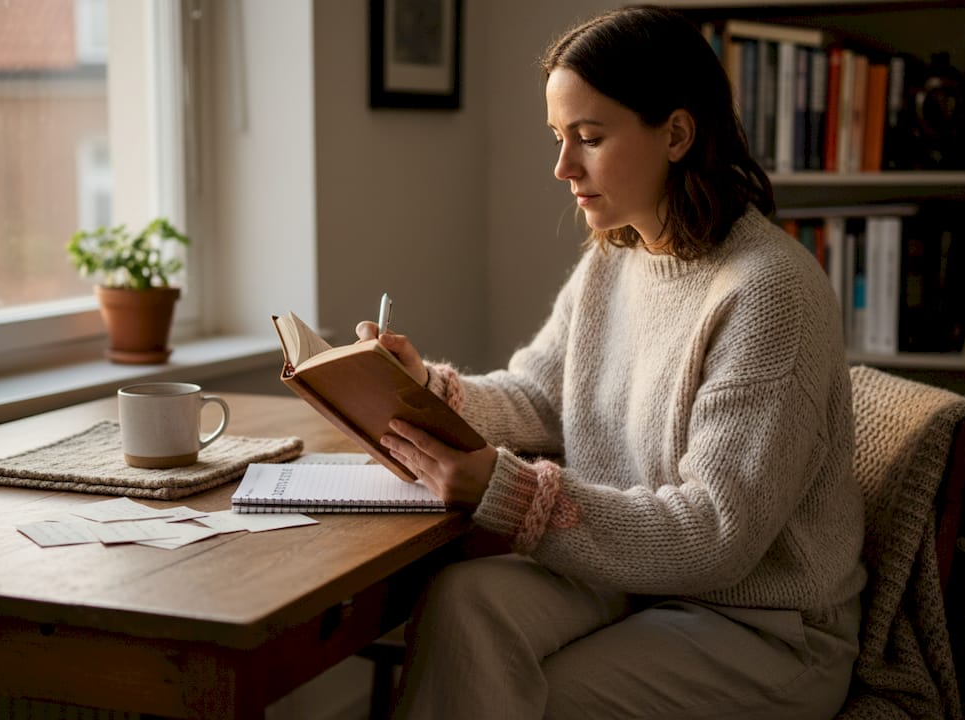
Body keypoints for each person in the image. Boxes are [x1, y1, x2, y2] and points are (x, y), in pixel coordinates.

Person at [355, 6, 866, 718]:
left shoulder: (770, 292)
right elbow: (539, 394)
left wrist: (505, 491)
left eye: (588, 138)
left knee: (547, 697)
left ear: (677, 135)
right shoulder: (614, 258)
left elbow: (715, 533)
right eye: (559, 138)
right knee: (463, 601)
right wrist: (427, 392)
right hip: (632, 576)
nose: (562, 167)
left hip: (762, 626)